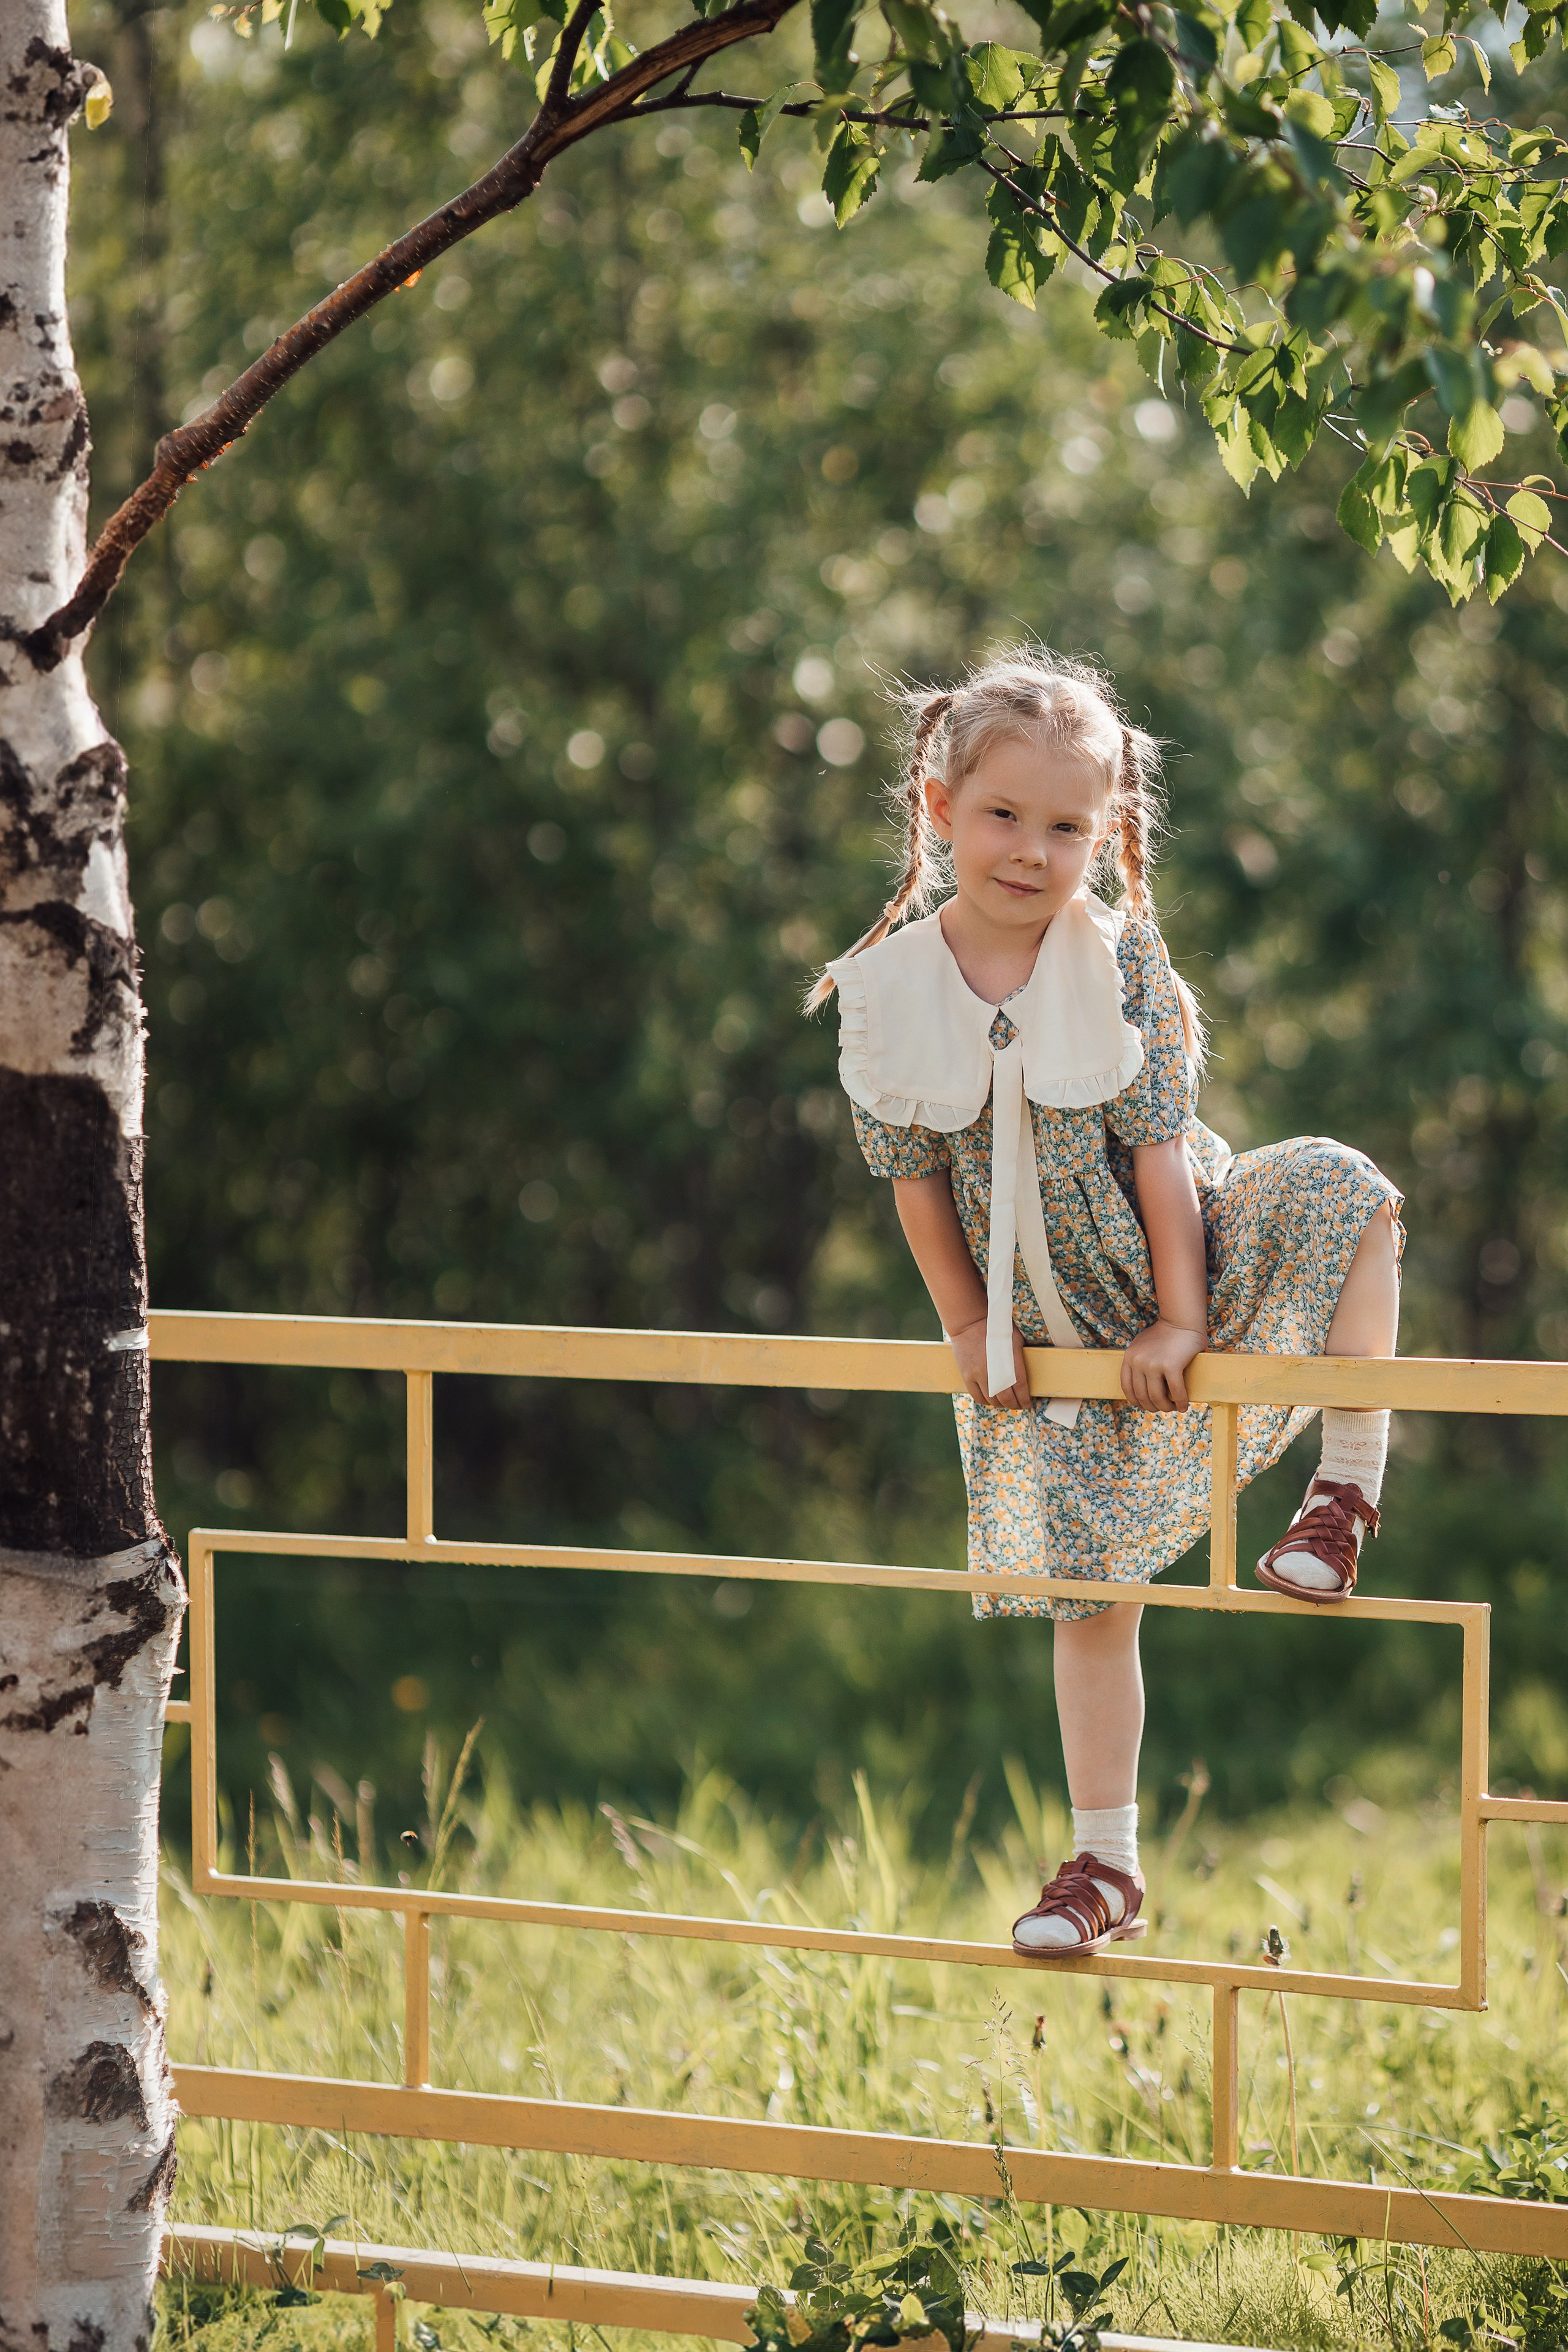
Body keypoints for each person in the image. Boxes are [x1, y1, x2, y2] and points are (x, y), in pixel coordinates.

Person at [808, 647, 1401, 1958]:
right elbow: (912, 1179)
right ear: (936, 810)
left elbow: (1151, 1150)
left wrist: (1182, 1320)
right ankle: (1104, 1865)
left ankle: (1342, 1495)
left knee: (1341, 1188)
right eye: (1002, 816)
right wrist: (968, 1329)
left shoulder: (1115, 959)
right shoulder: (892, 992)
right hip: (1035, 1321)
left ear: (1106, 832)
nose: (1030, 850)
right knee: (1090, 1600)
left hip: (1179, 1262)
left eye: (1066, 826)